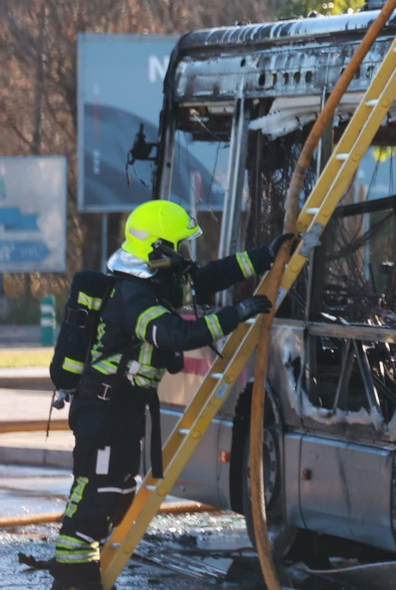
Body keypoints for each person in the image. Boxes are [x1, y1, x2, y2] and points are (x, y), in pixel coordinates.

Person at [49, 200, 281, 588]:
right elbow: (176, 335)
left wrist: (267, 256)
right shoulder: (133, 295)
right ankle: (73, 576)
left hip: (124, 406)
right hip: (103, 409)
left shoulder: (157, 282)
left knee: (121, 490)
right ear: (158, 250)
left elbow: (212, 276)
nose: (187, 256)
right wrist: (236, 313)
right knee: (96, 492)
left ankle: (88, 567)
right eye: (180, 246)